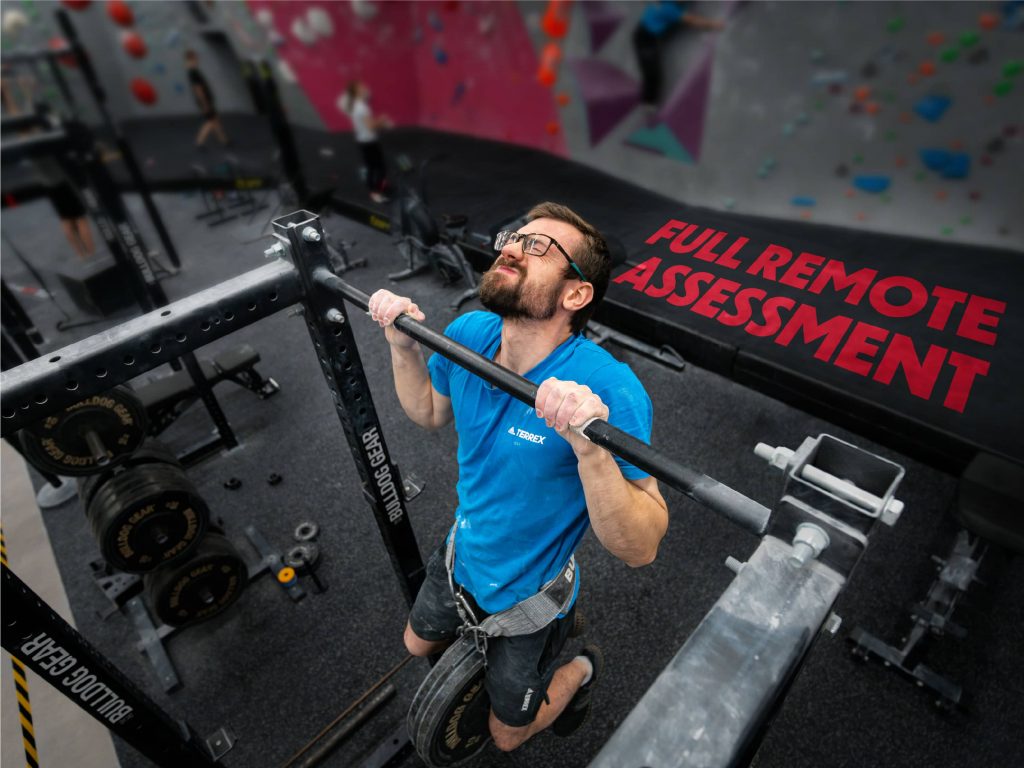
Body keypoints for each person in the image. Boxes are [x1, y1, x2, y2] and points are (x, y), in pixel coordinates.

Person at [368, 202, 669, 752]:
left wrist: (589, 447)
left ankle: (579, 667)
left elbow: (642, 547)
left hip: (530, 595)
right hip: (464, 551)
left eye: (537, 247)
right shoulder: (469, 332)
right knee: (415, 644)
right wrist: (402, 345)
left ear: (575, 295)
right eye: (514, 237)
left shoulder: (608, 387)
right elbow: (429, 413)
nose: (510, 247)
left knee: (507, 738)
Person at [633, 1, 725, 108]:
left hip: (650, 37)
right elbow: (692, 20)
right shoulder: (671, 9)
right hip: (644, 39)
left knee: (653, 72)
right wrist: (714, 24)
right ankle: (648, 103)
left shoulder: (670, 5)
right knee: (652, 74)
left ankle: (649, 101)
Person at [339, 80, 392, 203]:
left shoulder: (355, 105)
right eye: (362, 87)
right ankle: (376, 192)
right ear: (357, 92)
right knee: (379, 168)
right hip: (369, 142)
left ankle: (377, 187)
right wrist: (382, 120)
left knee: (372, 167)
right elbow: (371, 126)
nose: (365, 89)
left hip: (363, 142)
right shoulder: (362, 107)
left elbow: (366, 124)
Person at [185, 49, 228, 149]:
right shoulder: (193, 73)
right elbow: (198, 89)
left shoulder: (194, 71)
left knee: (215, 119)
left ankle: (223, 139)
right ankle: (199, 142)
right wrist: (205, 104)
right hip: (205, 101)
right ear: (191, 59)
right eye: (195, 58)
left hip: (206, 100)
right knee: (210, 121)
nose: (198, 60)